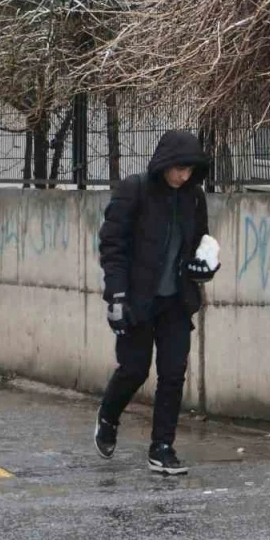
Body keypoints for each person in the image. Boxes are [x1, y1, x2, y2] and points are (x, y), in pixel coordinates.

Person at [94, 130, 218, 475]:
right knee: (134, 370)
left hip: (176, 302)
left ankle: (162, 447)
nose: (183, 176)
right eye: (179, 168)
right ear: (164, 163)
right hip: (138, 300)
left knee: (173, 375)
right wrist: (116, 296)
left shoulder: (194, 198)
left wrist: (205, 265)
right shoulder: (135, 191)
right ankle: (108, 415)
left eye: (190, 170)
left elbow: (199, 242)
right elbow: (112, 247)